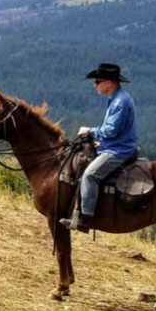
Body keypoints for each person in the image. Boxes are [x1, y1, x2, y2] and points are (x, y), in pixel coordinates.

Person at [61, 63, 138, 233]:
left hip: (119, 150)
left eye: (98, 81)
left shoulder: (120, 102)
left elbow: (111, 130)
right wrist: (100, 142)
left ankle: (85, 217)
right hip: (113, 145)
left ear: (109, 82)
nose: (95, 84)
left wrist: (90, 131)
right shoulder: (116, 99)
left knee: (90, 175)